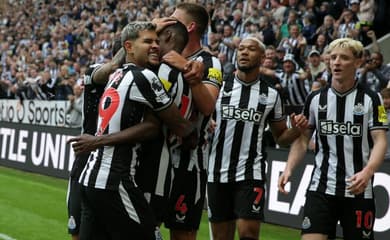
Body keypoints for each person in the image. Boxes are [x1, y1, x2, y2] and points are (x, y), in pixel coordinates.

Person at [74, 22, 195, 240]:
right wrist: (195, 130)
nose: (155, 46)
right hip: (115, 179)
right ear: (128, 47)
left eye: (157, 41)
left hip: (90, 179)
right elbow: (181, 126)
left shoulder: (116, 75)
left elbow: (150, 127)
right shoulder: (145, 77)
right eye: (148, 41)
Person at [278, 38, 388, 240]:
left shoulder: (372, 98)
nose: (336, 62)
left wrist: (368, 171)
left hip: (359, 189)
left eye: (344, 58)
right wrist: (289, 168)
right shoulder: (315, 98)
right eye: (333, 57)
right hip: (321, 188)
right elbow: (303, 140)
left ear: (357, 62)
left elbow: (380, 140)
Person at [207, 36, 307, 240]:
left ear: (262, 57)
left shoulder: (271, 95)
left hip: (251, 173)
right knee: (221, 237)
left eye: (250, 49)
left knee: (249, 234)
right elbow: (201, 117)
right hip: (216, 172)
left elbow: (281, 139)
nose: (243, 52)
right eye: (241, 49)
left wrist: (296, 130)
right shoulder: (219, 88)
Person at [158, 3, 223, 240]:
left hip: (188, 165)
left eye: (173, 18)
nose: (168, 21)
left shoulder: (209, 62)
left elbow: (208, 106)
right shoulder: (157, 55)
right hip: (152, 160)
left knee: (183, 234)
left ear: (190, 26)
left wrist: (189, 72)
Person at [66, 39, 125, 240]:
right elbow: (112, 67)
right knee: (78, 231)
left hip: (117, 165)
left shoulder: (137, 81)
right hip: (86, 162)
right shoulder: (96, 71)